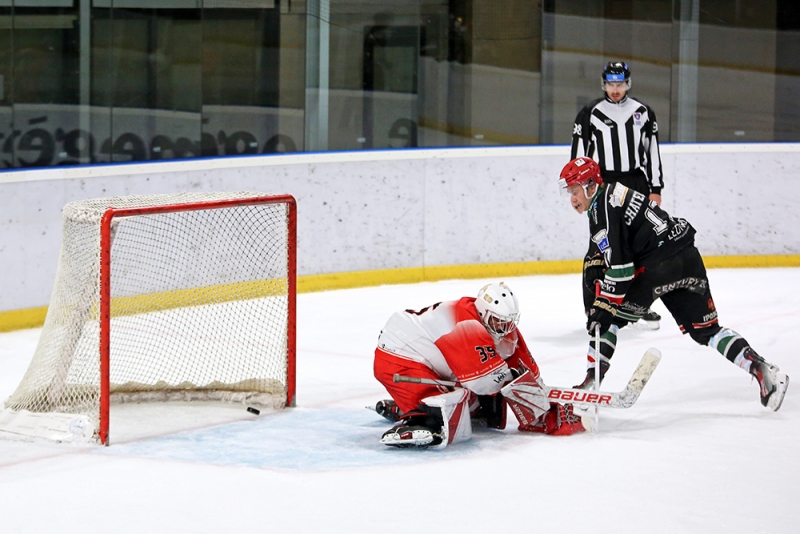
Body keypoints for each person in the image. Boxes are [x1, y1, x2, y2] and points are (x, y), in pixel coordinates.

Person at [558, 156, 789, 411]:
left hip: (656, 268)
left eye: (575, 191)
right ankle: (763, 371)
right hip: (687, 258)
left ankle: (592, 381)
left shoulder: (601, 208)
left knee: (608, 317)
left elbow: (622, 271)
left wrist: (602, 306)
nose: (572, 199)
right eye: (569, 192)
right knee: (707, 330)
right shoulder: (617, 193)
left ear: (591, 186)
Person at [372, 282, 588, 448]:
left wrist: (540, 395)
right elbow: (483, 383)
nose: (505, 327)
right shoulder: (465, 323)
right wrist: (519, 386)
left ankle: (409, 405)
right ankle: (415, 413)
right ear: (483, 314)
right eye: (499, 321)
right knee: (442, 415)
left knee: (475, 405)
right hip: (398, 352)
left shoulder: (500, 323)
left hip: (434, 357)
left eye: (509, 321)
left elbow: (521, 364)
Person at [571, 61, 664, 330]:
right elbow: (579, 157)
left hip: (636, 182)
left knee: (640, 246)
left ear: (628, 83)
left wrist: (655, 188)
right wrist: (580, 191)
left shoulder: (643, 112)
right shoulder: (589, 114)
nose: (615, 89)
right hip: (602, 183)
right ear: (603, 84)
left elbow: (653, 152)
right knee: (600, 246)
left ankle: (638, 307)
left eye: (620, 83)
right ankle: (594, 309)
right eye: (611, 84)